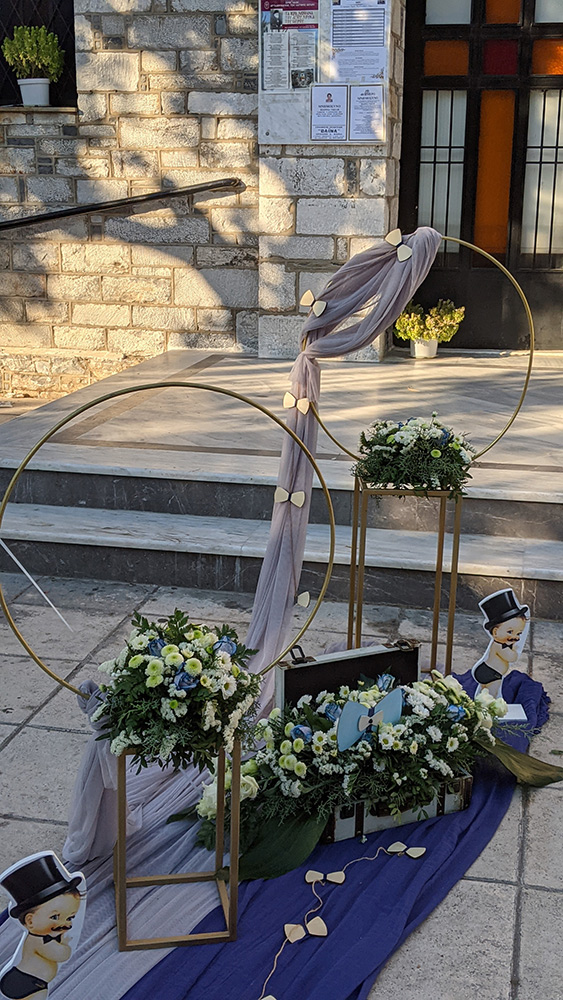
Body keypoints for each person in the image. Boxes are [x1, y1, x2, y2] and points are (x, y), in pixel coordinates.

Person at [0, 853, 85, 1000]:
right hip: (27, 981)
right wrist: (65, 944)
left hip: (33, 981)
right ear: (30, 921)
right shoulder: (39, 941)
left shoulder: (44, 937)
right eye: (55, 917)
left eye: (70, 918)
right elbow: (63, 955)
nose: (64, 923)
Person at [471, 589, 529, 700]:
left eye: (519, 633)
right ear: (495, 632)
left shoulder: (500, 644)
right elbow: (512, 658)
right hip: (491, 673)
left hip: (490, 671)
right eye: (510, 632)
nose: (515, 637)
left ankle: (481, 702)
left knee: (484, 691)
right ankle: (488, 705)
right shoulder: (499, 646)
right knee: (492, 693)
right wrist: (515, 649)